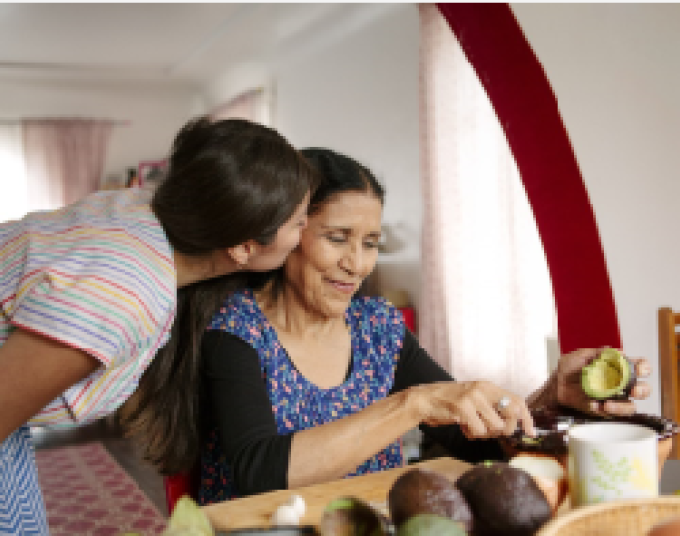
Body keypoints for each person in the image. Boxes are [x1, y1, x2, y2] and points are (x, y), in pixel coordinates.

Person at [130, 148, 650, 503]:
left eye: (371, 242)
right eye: (338, 237)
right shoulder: (236, 330)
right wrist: (414, 403)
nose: (357, 264)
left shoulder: (378, 328)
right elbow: (261, 471)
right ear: (289, 235)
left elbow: (472, 441)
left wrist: (547, 398)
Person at [0, 116, 317, 534]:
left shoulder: (145, 209)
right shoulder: (119, 297)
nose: (306, 229)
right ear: (243, 247)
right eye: (298, 221)